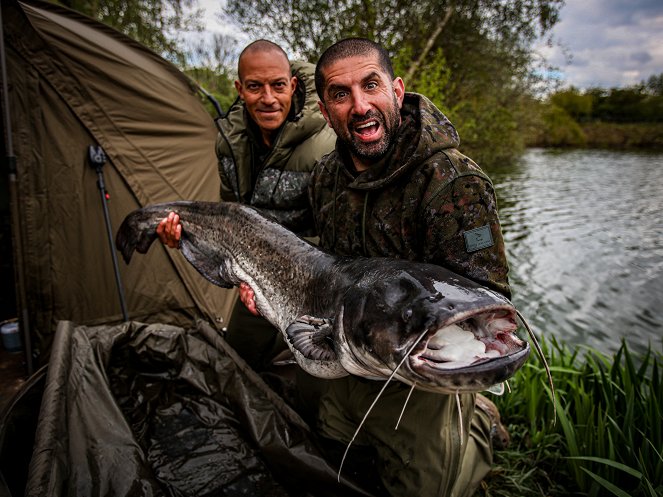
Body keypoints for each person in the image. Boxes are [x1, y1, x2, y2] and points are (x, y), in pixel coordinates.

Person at [161, 37, 511, 497]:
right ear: (325, 111)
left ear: (397, 90)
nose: (360, 106)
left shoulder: (452, 182)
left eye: (371, 86)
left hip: (420, 358)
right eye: (341, 95)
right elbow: (311, 254)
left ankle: (477, 424)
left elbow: (488, 294)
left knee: (429, 487)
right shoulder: (327, 175)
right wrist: (259, 282)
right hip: (355, 337)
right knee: (328, 441)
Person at [159, 40, 336, 370]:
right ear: (240, 89)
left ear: (292, 86)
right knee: (235, 365)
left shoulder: (327, 143)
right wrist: (185, 239)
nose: (268, 99)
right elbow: (230, 224)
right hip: (256, 286)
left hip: (318, 291)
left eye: (277, 86)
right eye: (255, 87)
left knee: (317, 383)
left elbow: (339, 238)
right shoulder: (228, 142)